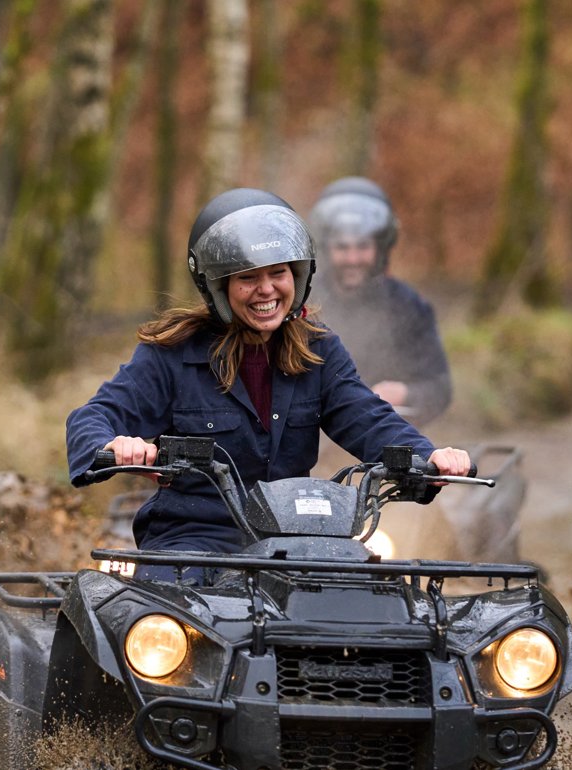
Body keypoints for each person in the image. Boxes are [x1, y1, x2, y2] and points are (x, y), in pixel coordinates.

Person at [65, 188, 470, 576]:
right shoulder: (171, 354)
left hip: (299, 541)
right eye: (247, 277)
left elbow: (367, 417)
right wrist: (115, 444)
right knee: (163, 629)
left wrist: (427, 457)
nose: (266, 290)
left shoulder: (319, 351)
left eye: (278, 273)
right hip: (194, 546)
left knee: (371, 614)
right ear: (219, 285)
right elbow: (93, 418)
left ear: (298, 276)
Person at [307, 177, 452, 423]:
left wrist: (404, 393)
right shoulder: (303, 301)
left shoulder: (409, 306)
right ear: (326, 248)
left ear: (381, 247)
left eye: (362, 246)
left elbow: (440, 387)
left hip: (388, 441)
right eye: (342, 247)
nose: (353, 258)